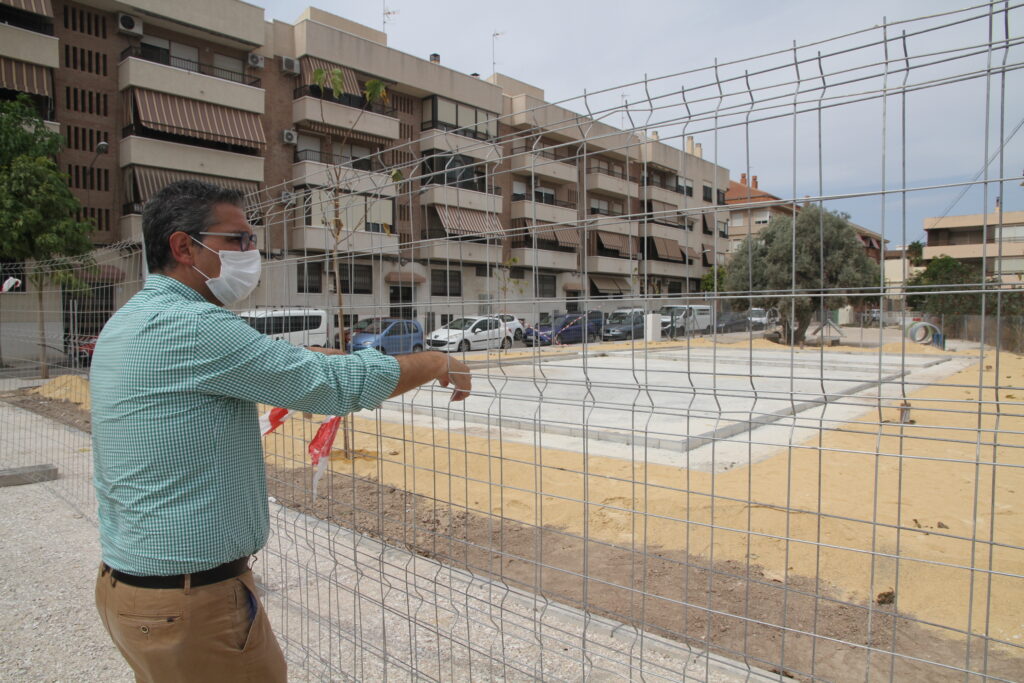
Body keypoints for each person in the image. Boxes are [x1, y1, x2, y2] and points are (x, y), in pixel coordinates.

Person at [90, 180, 471, 682]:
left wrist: (341, 358)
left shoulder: (135, 319)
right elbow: (331, 387)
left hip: (134, 588)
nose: (254, 252)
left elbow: (284, 363)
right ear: (184, 247)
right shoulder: (196, 327)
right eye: (238, 240)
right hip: (191, 601)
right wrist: (438, 360)